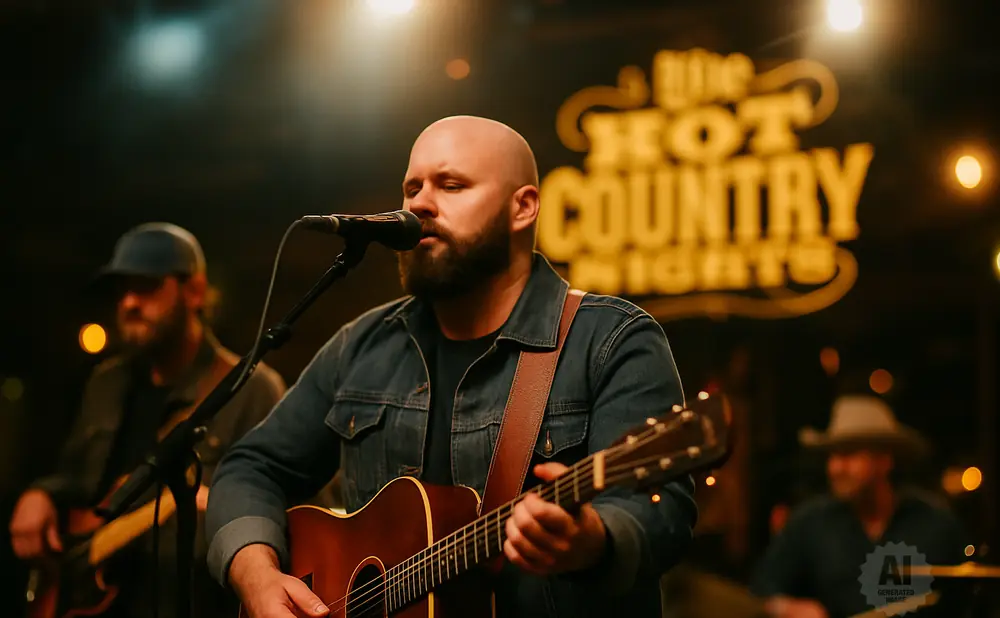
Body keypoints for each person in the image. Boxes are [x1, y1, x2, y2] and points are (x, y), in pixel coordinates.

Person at [204, 115, 699, 618]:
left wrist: (594, 539)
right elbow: (250, 468)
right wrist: (256, 575)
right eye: (412, 188)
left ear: (523, 207)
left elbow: (659, 511)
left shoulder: (609, 340)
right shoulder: (362, 346)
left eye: (451, 185)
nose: (419, 203)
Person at [8, 222, 287, 618]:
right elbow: (76, 478)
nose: (129, 303)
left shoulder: (250, 389)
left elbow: (295, 511)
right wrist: (41, 494)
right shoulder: (106, 382)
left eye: (146, 286)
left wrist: (225, 510)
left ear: (194, 291)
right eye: (122, 289)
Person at [751, 395, 968, 618]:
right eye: (832, 456)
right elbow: (760, 592)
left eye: (848, 454)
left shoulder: (935, 524)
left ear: (884, 460)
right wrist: (788, 607)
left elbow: (968, 599)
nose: (835, 468)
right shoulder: (810, 523)